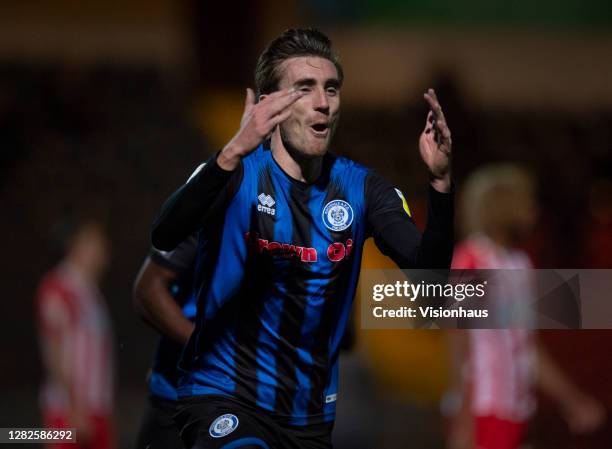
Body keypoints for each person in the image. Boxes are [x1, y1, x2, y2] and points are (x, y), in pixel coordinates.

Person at [152, 28, 454, 448]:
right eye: (305, 88)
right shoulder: (234, 172)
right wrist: (230, 151)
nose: (323, 102)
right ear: (268, 104)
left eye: (331, 88)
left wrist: (440, 184)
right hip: (222, 397)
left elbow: (432, 282)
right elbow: (165, 232)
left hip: (308, 418)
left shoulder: (363, 189)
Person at [446, 164, 605, 449]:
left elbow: (528, 348)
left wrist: (571, 399)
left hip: (516, 406)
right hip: (484, 408)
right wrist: (464, 419)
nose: (534, 210)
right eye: (528, 201)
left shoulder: (518, 264)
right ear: (505, 207)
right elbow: (460, 348)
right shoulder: (470, 261)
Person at [36, 219, 115, 449]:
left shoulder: (91, 293)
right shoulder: (58, 287)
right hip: (69, 411)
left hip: (98, 409)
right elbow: (53, 349)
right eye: (97, 244)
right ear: (78, 246)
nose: (103, 252)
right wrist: (74, 407)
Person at [132, 236, 198, 449]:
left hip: (269, 407)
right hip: (178, 400)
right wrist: (209, 349)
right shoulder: (207, 209)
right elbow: (147, 291)